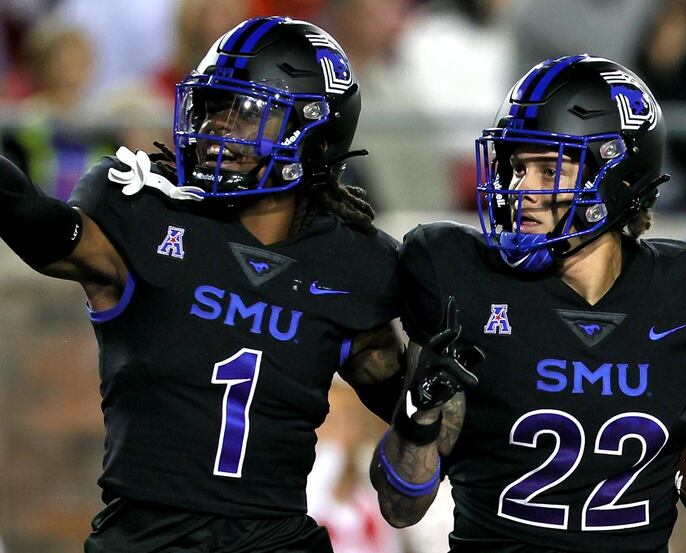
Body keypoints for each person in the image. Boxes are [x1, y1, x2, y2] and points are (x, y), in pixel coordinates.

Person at [371, 55, 686, 553]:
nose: (521, 191)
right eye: (517, 167)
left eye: (548, 167)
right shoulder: (463, 281)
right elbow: (400, 507)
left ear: (616, 175)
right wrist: (417, 414)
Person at [0, 16, 407, 553]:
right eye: (213, 106)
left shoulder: (357, 263)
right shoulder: (142, 212)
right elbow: (40, 226)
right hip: (145, 538)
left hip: (278, 541)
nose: (217, 126)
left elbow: (412, 414)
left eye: (246, 111)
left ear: (313, 129)